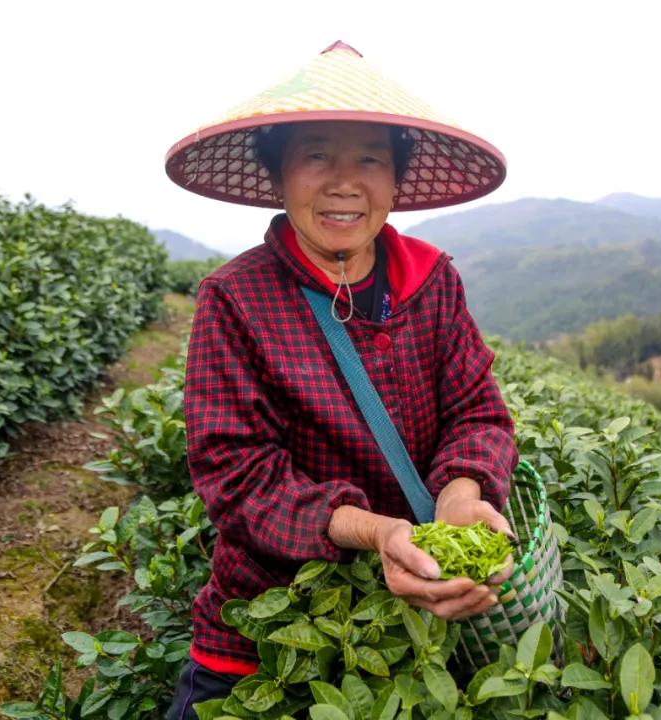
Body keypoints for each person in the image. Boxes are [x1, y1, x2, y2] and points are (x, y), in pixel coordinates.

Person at [162, 41, 518, 719]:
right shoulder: (234, 299)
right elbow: (238, 477)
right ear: (278, 175)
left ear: (395, 181)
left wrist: (461, 500)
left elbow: (478, 411)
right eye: (316, 154)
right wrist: (377, 532)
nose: (343, 182)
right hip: (274, 615)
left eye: (370, 159)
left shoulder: (432, 279)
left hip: (418, 613)